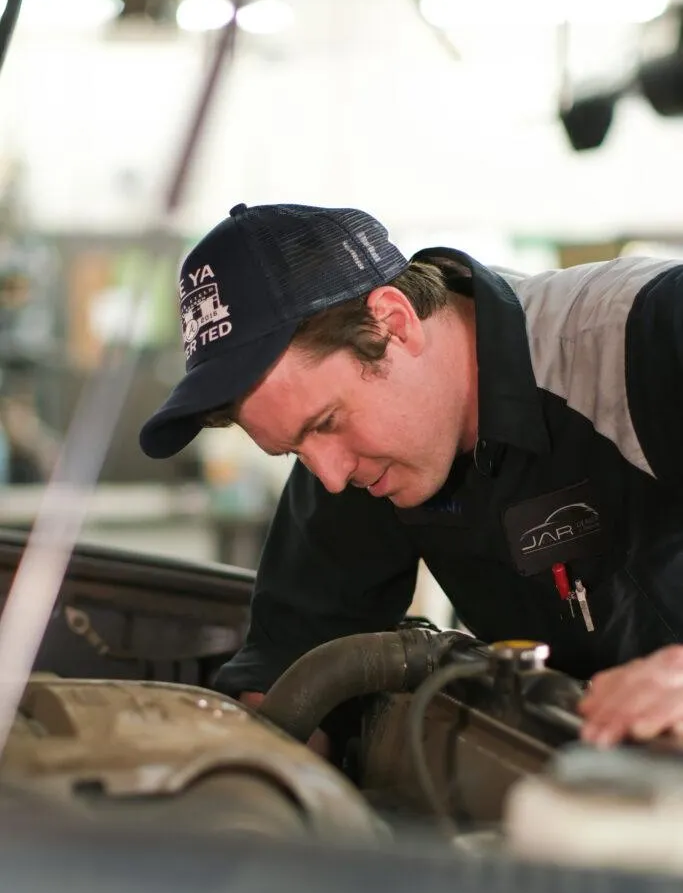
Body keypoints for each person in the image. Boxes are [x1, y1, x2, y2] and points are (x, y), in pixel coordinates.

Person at [140, 202, 683, 749]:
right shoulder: (357, 456)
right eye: (293, 450)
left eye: (326, 422)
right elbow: (286, 678)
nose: (329, 475)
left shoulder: (647, 333)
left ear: (394, 325)